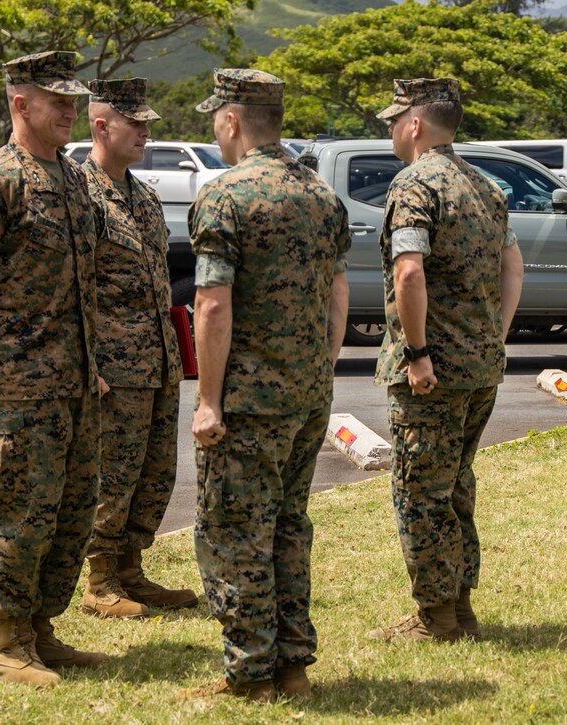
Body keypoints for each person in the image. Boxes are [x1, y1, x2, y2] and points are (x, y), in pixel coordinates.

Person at [0, 50, 108, 687]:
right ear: (20, 103)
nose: (70, 111)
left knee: (72, 514)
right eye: (56, 100)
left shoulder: (70, 180)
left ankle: (40, 629)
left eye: (73, 101)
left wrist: (94, 365)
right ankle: (5, 643)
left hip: (76, 385)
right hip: (21, 387)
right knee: (25, 516)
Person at [188, 69, 351, 702]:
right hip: (307, 395)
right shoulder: (320, 196)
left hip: (248, 405)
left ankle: (250, 675)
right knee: (288, 526)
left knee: (234, 532)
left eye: (215, 118)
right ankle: (293, 667)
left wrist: (207, 401)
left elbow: (212, 304)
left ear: (231, 121)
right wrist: (322, 367)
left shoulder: (226, 196)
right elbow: (339, 290)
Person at [368, 77, 524, 643]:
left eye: (394, 120)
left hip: (431, 373)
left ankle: (437, 619)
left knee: (420, 491)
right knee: (456, 484)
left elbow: (409, 271)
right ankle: (460, 608)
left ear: (414, 125)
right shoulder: (485, 186)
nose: (390, 130)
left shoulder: (414, 184)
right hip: (480, 365)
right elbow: (514, 266)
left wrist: (417, 352)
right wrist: (494, 336)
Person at [79, 78, 197, 619]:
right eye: (136, 122)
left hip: (156, 362)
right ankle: (98, 580)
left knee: (154, 473)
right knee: (112, 473)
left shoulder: (144, 196)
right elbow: (69, 287)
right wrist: (89, 363)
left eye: (148, 122)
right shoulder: (79, 194)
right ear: (102, 125)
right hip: (112, 367)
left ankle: (131, 570)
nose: (146, 131)